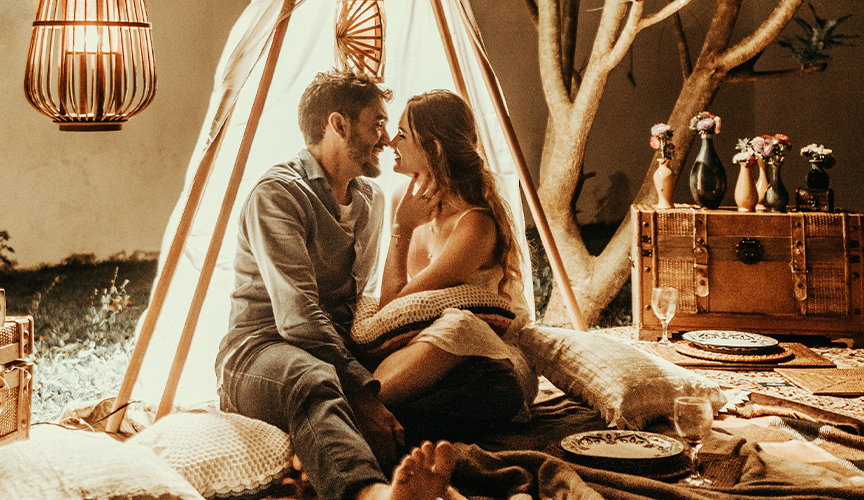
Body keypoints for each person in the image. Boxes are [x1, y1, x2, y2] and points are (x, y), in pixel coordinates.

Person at [214, 70, 455, 500]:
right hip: (261, 350)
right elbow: (298, 318)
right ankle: (371, 494)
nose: (387, 140)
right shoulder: (277, 195)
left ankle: (434, 475)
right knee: (312, 378)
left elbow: (356, 304)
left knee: (474, 374)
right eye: (377, 124)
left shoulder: (369, 200)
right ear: (338, 125)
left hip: (337, 344)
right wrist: (364, 395)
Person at [371, 89, 538, 441]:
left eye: (402, 134)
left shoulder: (475, 224)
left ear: (434, 149)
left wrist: (402, 229)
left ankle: (365, 412)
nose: (390, 141)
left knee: (461, 327)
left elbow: (393, 306)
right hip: (420, 355)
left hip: (488, 362)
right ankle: (376, 418)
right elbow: (390, 314)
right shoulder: (404, 200)